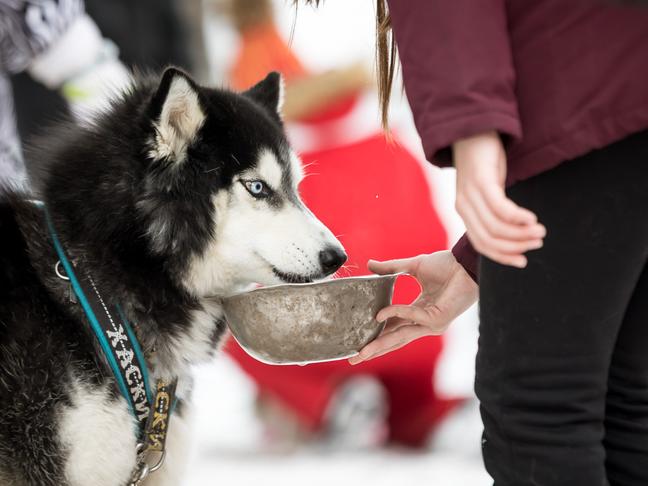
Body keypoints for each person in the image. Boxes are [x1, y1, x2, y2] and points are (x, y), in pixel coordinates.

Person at [299, 0, 648, 484]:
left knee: (541, 416)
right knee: (623, 403)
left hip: (586, 97)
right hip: (621, 92)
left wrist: (473, 130)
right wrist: (473, 260)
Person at [223, 0, 463, 449]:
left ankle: (326, 404)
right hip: (415, 315)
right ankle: (421, 412)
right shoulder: (386, 146)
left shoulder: (257, 62)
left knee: (225, 312)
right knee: (407, 346)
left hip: (323, 335)